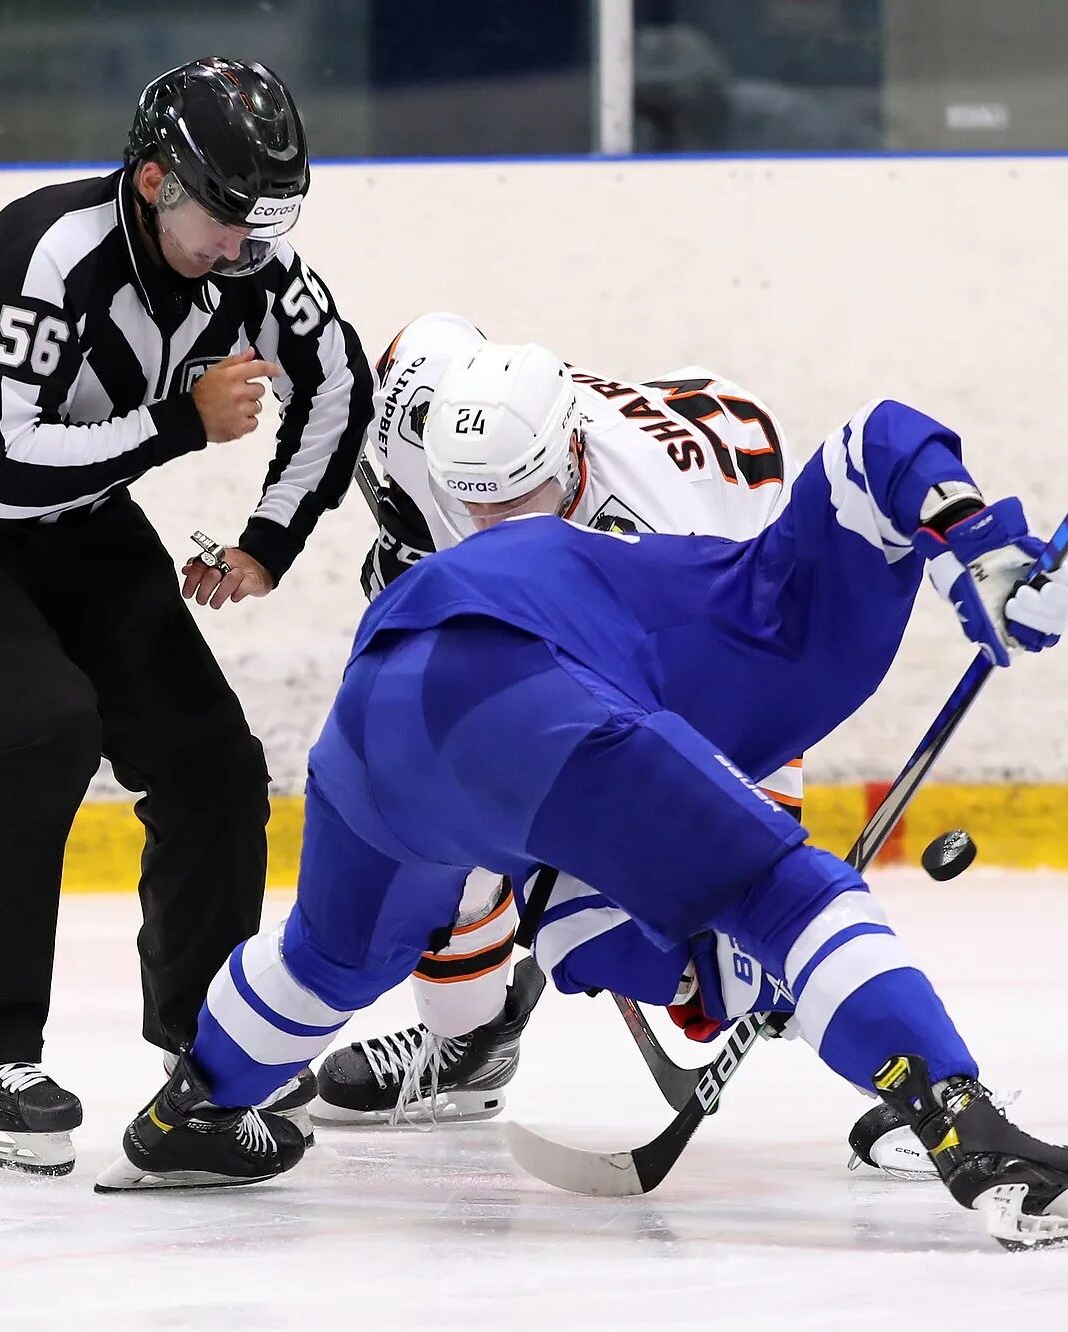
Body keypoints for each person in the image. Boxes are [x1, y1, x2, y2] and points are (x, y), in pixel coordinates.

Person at [94, 343, 1068, 1251]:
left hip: (371, 722)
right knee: (794, 901)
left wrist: (687, 968)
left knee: (326, 957)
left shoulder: (547, 534)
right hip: (527, 705)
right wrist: (978, 547)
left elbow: (571, 903)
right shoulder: (724, 590)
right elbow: (877, 439)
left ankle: (185, 1115)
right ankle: (963, 1125)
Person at [0, 58, 371, 1176]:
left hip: (76, 509)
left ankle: (220, 1062)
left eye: (270, 220)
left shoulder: (254, 265)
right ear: (156, 180)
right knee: (35, 728)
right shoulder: (44, 249)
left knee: (210, 760)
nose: (246, 247)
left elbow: (338, 384)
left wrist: (269, 539)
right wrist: (178, 423)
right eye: (227, 217)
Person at [314, 313, 807, 1127]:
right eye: (469, 501)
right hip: (628, 501)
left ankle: (916, 1088)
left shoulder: (663, 541)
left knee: (762, 897)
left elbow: (763, 707)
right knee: (431, 786)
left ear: (572, 453)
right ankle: (467, 1051)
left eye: (517, 501)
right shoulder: (420, 390)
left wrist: (752, 880)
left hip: (728, 526)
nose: (490, 527)